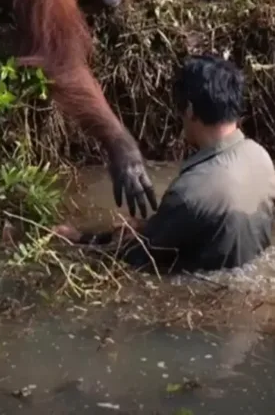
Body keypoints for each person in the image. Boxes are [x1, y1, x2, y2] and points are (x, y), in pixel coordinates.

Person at [54, 54, 275, 273]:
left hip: (202, 294)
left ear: (189, 110)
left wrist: (80, 240)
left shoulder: (190, 192)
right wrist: (148, 227)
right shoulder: (261, 158)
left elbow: (134, 258)